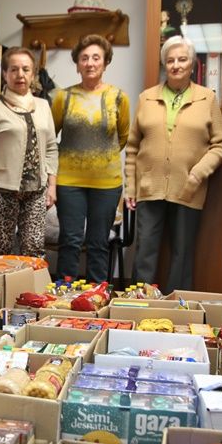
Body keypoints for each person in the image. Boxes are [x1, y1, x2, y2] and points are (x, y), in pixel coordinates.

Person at [125, 36, 222, 292]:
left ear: (192, 64)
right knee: (145, 252)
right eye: (170, 60)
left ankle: (177, 310)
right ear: (164, 64)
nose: (176, 65)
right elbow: (132, 146)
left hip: (189, 188)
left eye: (182, 59)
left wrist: (198, 174)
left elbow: (221, 144)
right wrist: (130, 187)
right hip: (149, 187)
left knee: (182, 254)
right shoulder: (146, 98)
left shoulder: (207, 98)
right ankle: (137, 307)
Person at [52, 34, 130, 283]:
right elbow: (50, 136)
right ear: (77, 64)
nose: (90, 63)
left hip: (107, 184)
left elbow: (123, 136)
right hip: (68, 182)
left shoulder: (119, 97)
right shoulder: (63, 97)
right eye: (84, 58)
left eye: (96, 57)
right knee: (70, 241)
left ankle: (96, 297)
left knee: (98, 243)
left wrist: (98, 159)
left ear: (105, 62)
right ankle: (63, 297)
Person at [0, 47, 58, 257]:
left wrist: (52, 186)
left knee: (34, 248)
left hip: (37, 190)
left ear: (32, 74)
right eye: (14, 69)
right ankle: (1, 290)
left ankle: (29, 290)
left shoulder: (43, 106)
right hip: (2, 190)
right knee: (0, 250)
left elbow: (51, 147)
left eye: (26, 69)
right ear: (5, 74)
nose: (20, 75)